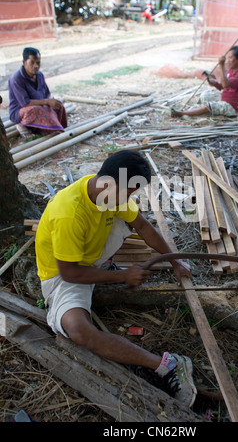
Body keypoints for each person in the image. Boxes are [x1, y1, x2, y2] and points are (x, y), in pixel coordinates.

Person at [35, 149, 197, 408]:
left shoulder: (110, 191)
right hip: (65, 275)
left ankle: (104, 267)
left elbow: (144, 226)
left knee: (130, 222)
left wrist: (175, 262)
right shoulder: (69, 213)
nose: (129, 199)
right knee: (78, 330)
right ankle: (167, 365)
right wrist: (123, 276)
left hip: (90, 255)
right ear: (108, 182)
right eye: (128, 193)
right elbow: (69, 273)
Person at [172, 45, 238, 118]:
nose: (228, 60)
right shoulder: (231, 70)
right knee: (205, 95)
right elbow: (222, 87)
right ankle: (199, 111)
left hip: (234, 108)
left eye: (230, 58)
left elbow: (225, 85)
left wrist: (221, 65)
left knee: (210, 106)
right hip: (226, 100)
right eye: (227, 58)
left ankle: (181, 114)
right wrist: (214, 83)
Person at [8, 47, 68, 139]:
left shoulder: (39, 75)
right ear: (24, 62)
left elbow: (47, 94)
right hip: (20, 111)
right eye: (32, 62)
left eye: (38, 62)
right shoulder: (16, 78)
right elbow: (25, 103)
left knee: (59, 106)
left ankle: (46, 128)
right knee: (36, 110)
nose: (36, 66)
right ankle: (21, 125)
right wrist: (46, 102)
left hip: (40, 104)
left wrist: (51, 102)